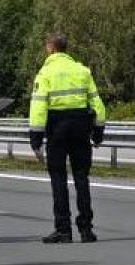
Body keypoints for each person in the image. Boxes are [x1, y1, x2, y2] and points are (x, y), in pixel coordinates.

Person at [28, 33, 108, 243]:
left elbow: (38, 107)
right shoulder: (82, 71)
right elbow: (97, 104)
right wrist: (98, 132)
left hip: (57, 129)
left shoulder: (45, 73)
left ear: (50, 48)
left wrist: (35, 139)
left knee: (58, 178)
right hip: (81, 127)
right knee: (82, 177)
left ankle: (63, 229)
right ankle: (86, 229)